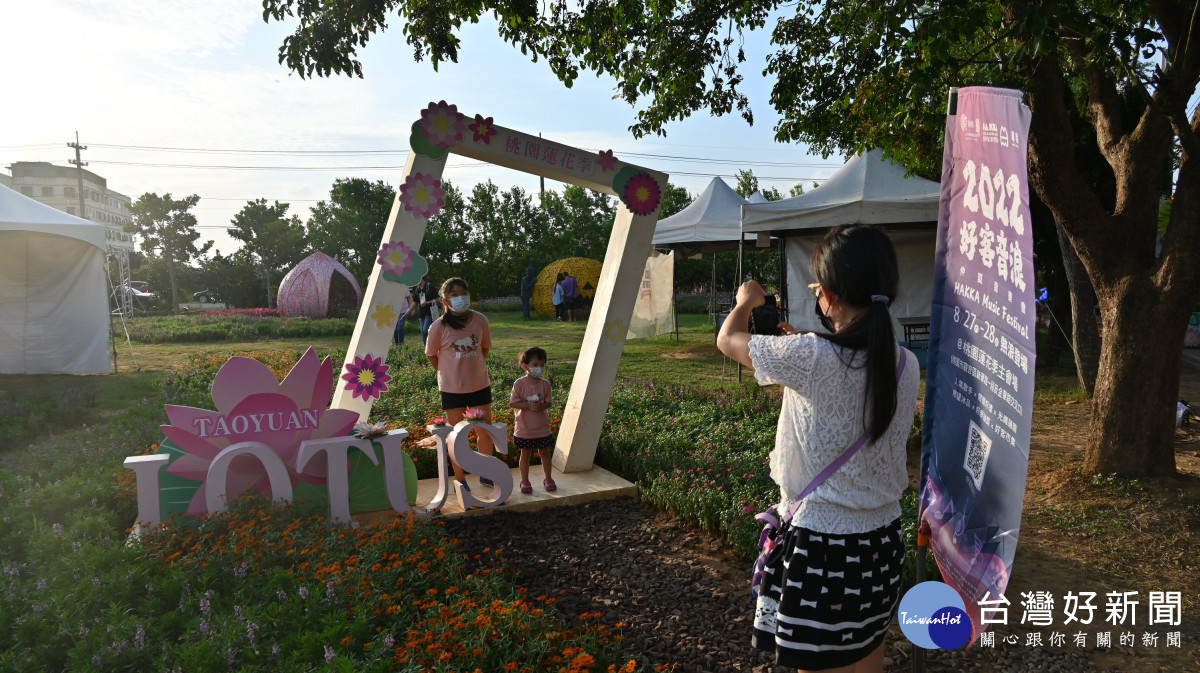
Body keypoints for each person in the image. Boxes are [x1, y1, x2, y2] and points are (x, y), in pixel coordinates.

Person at [717, 224, 920, 673]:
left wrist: (746, 302)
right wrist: (805, 341)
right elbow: (847, 364)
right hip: (882, 543)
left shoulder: (809, 355)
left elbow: (727, 340)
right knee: (868, 654)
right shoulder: (906, 363)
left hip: (823, 551)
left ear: (827, 294)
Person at [425, 277, 495, 491]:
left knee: (485, 431)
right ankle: (460, 478)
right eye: (454, 295)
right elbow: (431, 354)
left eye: (463, 293)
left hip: (479, 386)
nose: (460, 298)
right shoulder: (438, 327)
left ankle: (486, 472)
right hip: (452, 390)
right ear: (445, 301)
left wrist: (474, 367)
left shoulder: (480, 320)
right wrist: (445, 373)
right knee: (457, 436)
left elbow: (484, 348)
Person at [508, 346, 556, 494]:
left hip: (542, 428)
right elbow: (513, 402)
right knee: (526, 454)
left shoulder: (545, 384)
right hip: (524, 428)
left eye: (542, 365)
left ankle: (548, 478)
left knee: (545, 453)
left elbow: (549, 402)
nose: (539, 368)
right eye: (535, 365)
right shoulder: (519, 384)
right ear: (525, 366)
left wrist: (541, 406)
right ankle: (525, 481)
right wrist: (527, 405)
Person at [407, 278, 440, 346]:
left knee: (425, 331)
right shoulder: (417, 289)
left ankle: (432, 346)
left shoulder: (429, 287)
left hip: (430, 313)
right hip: (422, 314)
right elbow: (414, 302)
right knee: (423, 333)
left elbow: (438, 299)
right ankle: (427, 349)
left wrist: (428, 302)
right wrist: (407, 313)